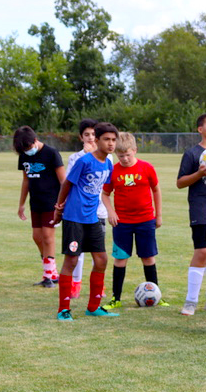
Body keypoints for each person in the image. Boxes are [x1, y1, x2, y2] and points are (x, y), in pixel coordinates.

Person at [52, 122, 119, 321]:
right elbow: (67, 184)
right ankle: (63, 309)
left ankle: (93, 306)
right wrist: (58, 208)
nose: (111, 144)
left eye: (114, 140)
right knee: (71, 260)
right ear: (96, 141)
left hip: (92, 218)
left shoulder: (108, 163)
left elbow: (103, 190)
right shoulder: (84, 161)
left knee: (101, 259)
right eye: (106, 139)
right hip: (74, 217)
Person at [102, 132, 162, 306]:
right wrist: (111, 212)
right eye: (121, 156)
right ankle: (116, 298)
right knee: (120, 259)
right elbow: (105, 194)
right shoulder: (113, 170)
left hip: (145, 220)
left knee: (148, 257)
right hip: (122, 223)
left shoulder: (147, 168)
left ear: (135, 150)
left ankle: (156, 296)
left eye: (128, 154)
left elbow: (156, 190)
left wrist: (158, 215)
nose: (125, 159)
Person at [176, 113, 206, 315]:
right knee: (202, 250)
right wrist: (200, 174)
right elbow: (180, 182)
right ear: (200, 129)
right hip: (201, 207)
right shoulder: (192, 153)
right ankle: (190, 300)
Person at [65, 119, 113, 305]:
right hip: (77, 214)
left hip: (98, 212)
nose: (91, 138)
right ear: (81, 137)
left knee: (98, 252)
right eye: (87, 135)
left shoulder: (108, 158)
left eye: (94, 135)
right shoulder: (76, 158)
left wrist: (109, 210)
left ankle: (97, 291)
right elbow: (68, 183)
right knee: (76, 254)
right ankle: (75, 284)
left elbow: (106, 188)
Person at [14, 126, 65, 287]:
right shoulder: (24, 156)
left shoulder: (51, 153)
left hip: (52, 203)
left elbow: (64, 181)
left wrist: (61, 204)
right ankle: (52, 272)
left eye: (29, 148)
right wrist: (21, 204)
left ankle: (48, 276)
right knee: (37, 237)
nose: (27, 151)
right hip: (35, 202)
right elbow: (26, 180)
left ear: (35, 141)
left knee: (48, 237)